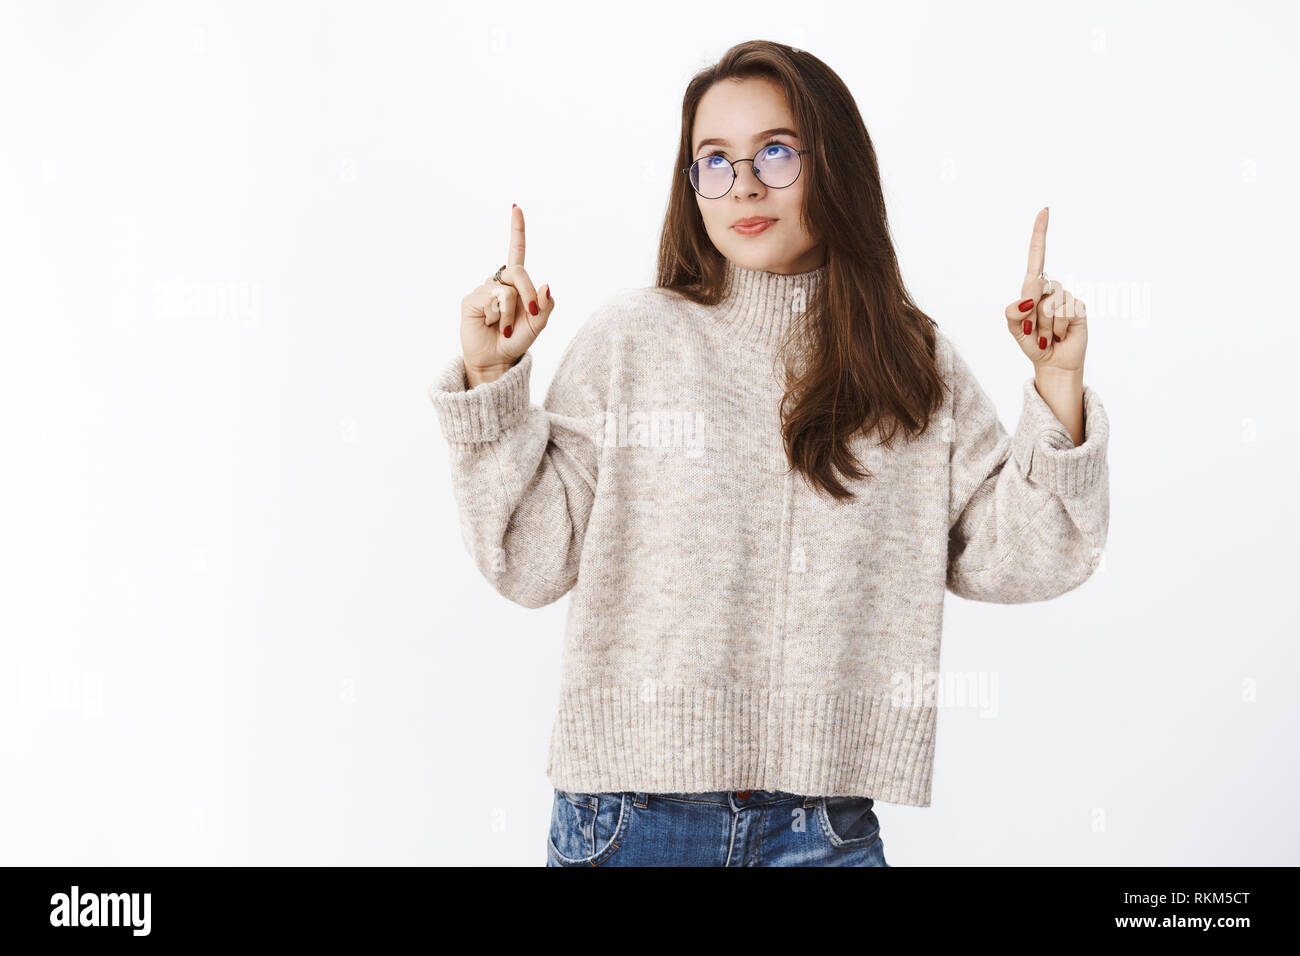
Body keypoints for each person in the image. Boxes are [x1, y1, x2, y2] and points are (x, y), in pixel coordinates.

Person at [428, 40, 1109, 867]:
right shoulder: (631, 339)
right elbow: (529, 564)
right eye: (714, 160)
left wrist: (1057, 387)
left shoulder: (909, 361)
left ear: (836, 166)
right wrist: (492, 382)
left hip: (824, 830)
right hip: (631, 823)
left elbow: (1023, 558)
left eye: (776, 153)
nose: (743, 185)